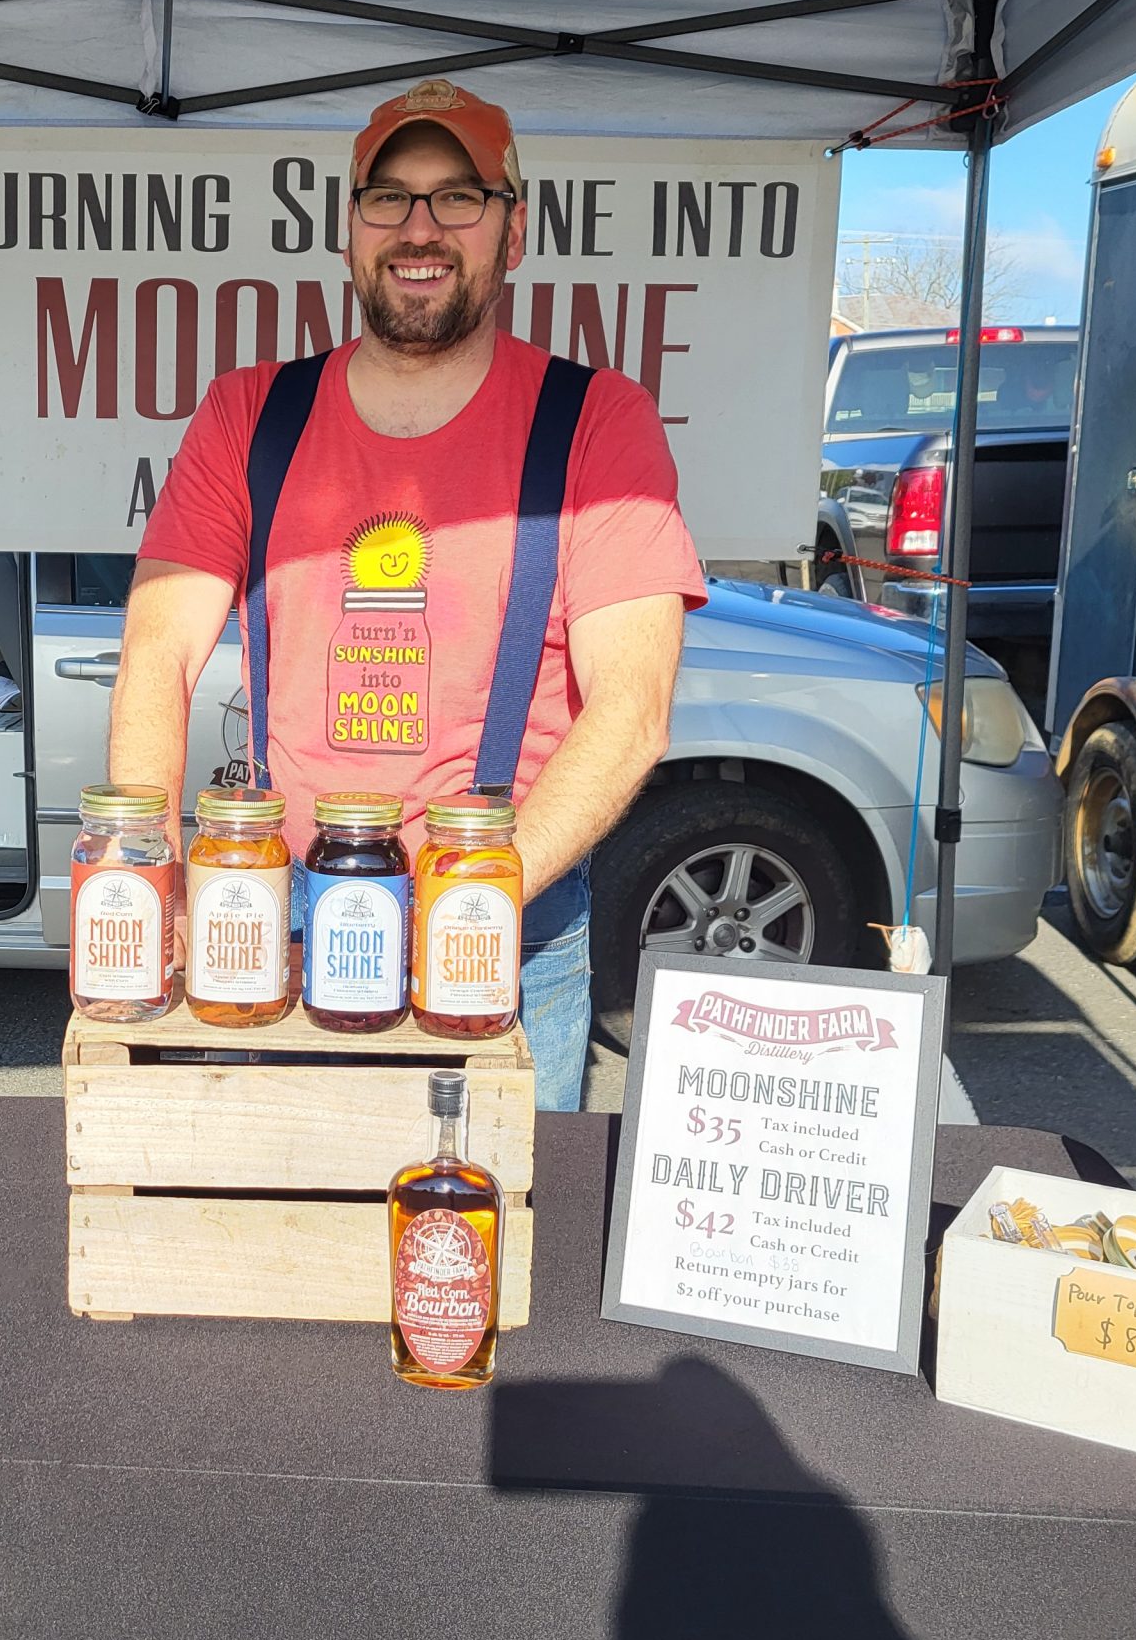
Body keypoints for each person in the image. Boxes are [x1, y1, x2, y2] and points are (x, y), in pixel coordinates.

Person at [110, 77, 705, 1110]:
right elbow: (159, 653)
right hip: (278, 915)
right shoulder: (248, 411)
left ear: (512, 232)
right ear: (347, 233)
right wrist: (150, 871)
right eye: (388, 198)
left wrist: (470, 900)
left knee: (481, 1249)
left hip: (502, 920)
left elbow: (633, 708)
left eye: (459, 197)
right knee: (277, 1238)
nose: (419, 228)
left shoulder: (597, 421)